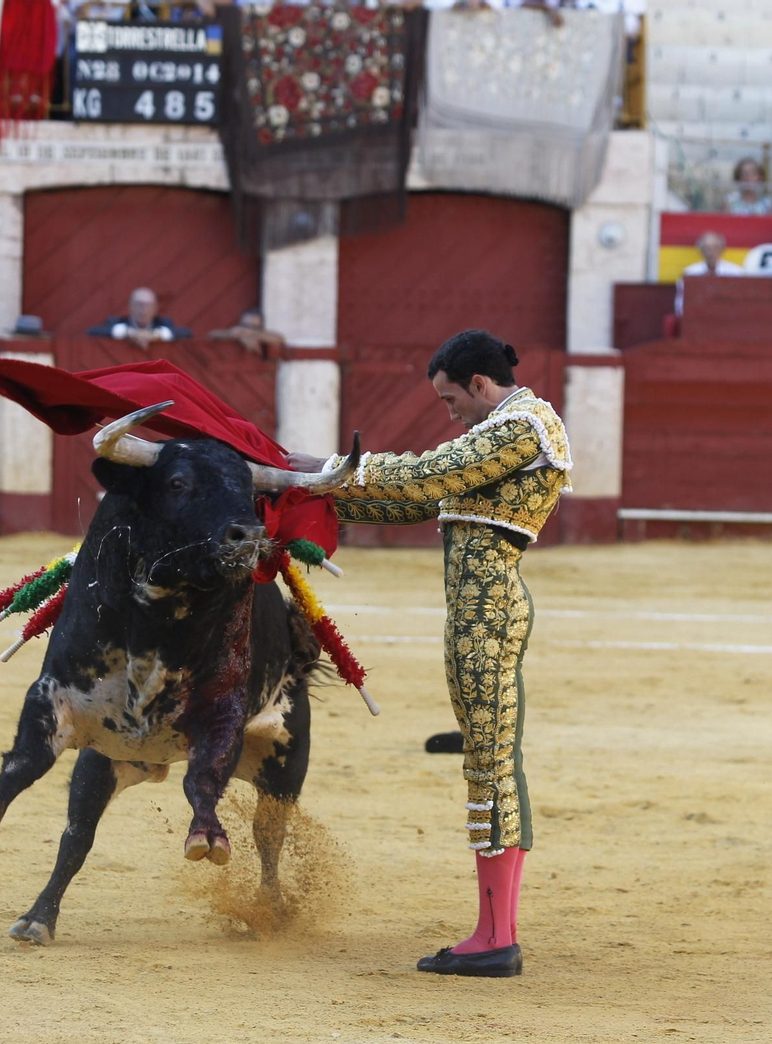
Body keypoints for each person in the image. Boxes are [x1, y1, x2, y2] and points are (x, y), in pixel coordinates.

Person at [286, 329, 572, 980]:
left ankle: (496, 937)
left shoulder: (521, 426)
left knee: (491, 766)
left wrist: (318, 465)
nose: (449, 413)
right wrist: (314, 488)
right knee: (491, 758)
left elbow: (426, 474)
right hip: (478, 613)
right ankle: (495, 928)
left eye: (450, 400)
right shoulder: (502, 433)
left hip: (488, 613)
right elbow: (412, 497)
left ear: (479, 384)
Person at [87, 288, 193, 349]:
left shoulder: (164, 323)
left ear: (155, 308)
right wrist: (129, 333)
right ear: (130, 306)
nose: (144, 310)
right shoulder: (116, 322)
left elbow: (187, 333)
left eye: (148, 305)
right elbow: (92, 331)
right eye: (139, 304)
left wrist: (154, 336)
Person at [674, 230, 743, 316]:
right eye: (706, 248)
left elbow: (740, 303)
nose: (710, 253)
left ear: (722, 249)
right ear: (700, 250)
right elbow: (681, 303)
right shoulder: (689, 273)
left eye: (715, 248)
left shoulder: (736, 272)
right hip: (698, 318)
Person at [207, 308, 286, 359]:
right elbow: (213, 334)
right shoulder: (236, 332)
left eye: (254, 327)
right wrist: (239, 335)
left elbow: (280, 339)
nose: (249, 329)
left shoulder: (264, 335)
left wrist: (250, 335)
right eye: (246, 326)